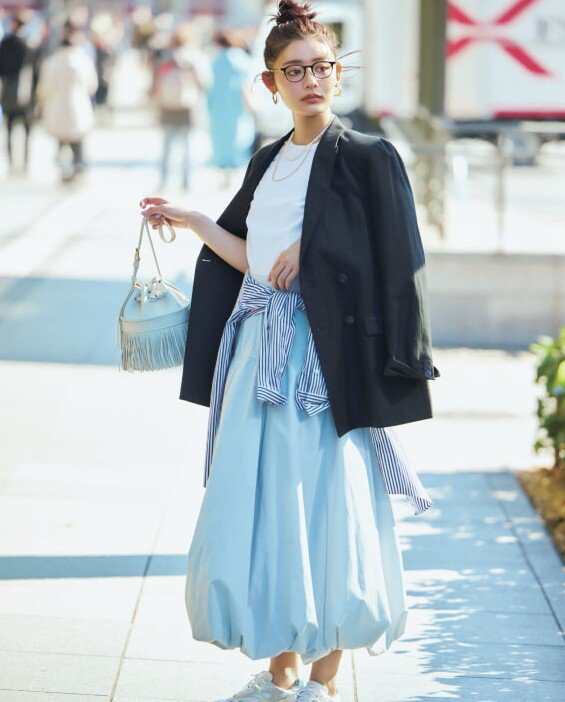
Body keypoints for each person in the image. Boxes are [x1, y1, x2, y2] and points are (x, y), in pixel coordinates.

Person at [139, 1, 440, 700]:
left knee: (327, 499)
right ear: (270, 83)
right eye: (293, 71)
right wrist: (194, 220)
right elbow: (254, 257)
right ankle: (280, 669)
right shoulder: (268, 160)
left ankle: (325, 675)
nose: (310, 81)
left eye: (321, 68)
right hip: (257, 354)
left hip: (326, 358)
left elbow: (399, 256)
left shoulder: (368, 157)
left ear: (338, 74)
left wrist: (317, 249)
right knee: (262, 503)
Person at [151, 23, 211, 191]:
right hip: (187, 105)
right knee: (187, 145)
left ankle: (163, 180)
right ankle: (186, 181)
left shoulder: (165, 57)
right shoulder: (193, 57)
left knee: (167, 145)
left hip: (167, 105)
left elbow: (155, 81)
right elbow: (205, 81)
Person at [35, 28, 98, 183]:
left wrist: (42, 102)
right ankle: (78, 166)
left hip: (56, 106)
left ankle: (63, 168)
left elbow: (44, 88)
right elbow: (92, 85)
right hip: (79, 105)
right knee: (77, 141)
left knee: (60, 140)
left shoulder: (51, 62)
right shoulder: (83, 61)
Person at [206, 27, 256, 187]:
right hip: (238, 107)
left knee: (221, 141)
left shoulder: (216, 60)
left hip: (219, 108)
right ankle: (234, 174)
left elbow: (209, 86)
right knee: (239, 138)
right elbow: (249, 83)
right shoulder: (241, 59)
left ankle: (223, 174)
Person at [0, 10, 36, 175]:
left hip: (8, 92)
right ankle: (25, 163)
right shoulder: (29, 45)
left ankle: (11, 162)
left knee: (9, 128)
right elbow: (36, 71)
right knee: (27, 131)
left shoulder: (5, 44)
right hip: (26, 93)